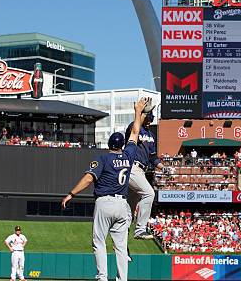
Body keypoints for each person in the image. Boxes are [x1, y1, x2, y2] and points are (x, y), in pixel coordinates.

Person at [61, 97, 148, 281]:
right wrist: (138, 112)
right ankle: (122, 279)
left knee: (99, 243)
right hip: (122, 205)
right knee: (121, 247)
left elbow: (88, 178)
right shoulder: (129, 155)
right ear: (121, 145)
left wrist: (71, 194)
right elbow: (134, 132)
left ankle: (102, 277)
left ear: (109, 145)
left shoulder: (103, 159)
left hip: (105, 202)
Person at [124, 100, 165, 239]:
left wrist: (163, 168)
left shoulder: (151, 136)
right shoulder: (134, 128)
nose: (149, 120)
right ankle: (140, 229)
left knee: (130, 206)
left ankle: (123, 232)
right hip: (132, 167)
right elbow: (135, 127)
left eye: (150, 117)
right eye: (147, 116)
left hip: (141, 170)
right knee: (149, 193)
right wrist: (140, 112)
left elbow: (153, 158)